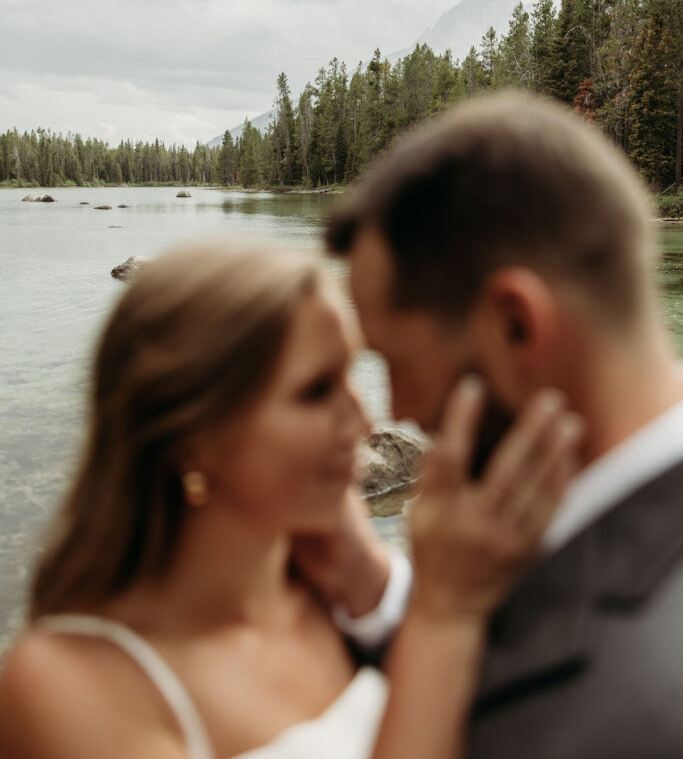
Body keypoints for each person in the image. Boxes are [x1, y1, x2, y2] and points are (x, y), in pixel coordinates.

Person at [0, 240, 578, 759]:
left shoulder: (339, 596)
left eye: (353, 376)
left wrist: (379, 586)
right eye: (317, 390)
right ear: (191, 435)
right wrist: (445, 614)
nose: (364, 418)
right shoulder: (68, 688)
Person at [326, 89, 683, 758]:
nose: (392, 410)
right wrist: (379, 588)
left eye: (396, 360)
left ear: (515, 324)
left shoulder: (628, 711)